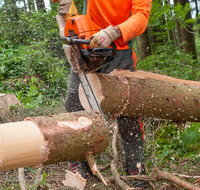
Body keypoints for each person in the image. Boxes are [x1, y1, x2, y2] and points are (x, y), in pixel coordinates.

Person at [55, 0, 152, 188]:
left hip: (119, 49)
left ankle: (135, 167)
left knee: (128, 111)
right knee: (74, 103)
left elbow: (141, 16)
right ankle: (79, 163)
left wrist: (113, 32)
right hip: (85, 43)